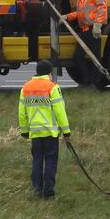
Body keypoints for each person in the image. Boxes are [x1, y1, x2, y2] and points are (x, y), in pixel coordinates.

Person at [17, 60, 71, 198]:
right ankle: (48, 191)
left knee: (37, 161)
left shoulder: (26, 88)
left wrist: (24, 131)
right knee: (51, 161)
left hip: (35, 133)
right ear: (49, 72)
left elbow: (22, 112)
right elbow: (60, 111)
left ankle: (37, 189)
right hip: (50, 132)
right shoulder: (52, 87)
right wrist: (66, 131)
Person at [61, 0, 108, 86]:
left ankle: (93, 83)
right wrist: (67, 17)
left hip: (93, 30)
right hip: (84, 30)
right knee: (79, 57)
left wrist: (98, 25)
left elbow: (102, 7)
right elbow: (80, 12)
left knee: (94, 59)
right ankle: (87, 82)